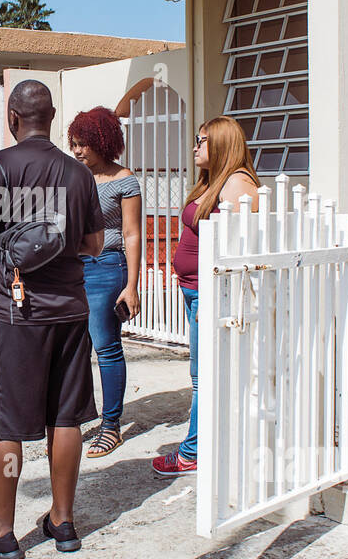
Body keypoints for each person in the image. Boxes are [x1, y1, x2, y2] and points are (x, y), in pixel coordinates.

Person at [0, 79, 105, 559]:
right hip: (71, 311)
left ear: (12, 118)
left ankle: (1, 533)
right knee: (67, 417)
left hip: (15, 314)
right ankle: (63, 523)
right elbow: (93, 246)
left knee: (4, 423)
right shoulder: (79, 173)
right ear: (53, 116)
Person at [153, 116, 260, 477]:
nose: (196, 147)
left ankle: (193, 452)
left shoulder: (238, 185)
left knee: (205, 376)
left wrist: (214, 296)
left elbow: (236, 249)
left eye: (202, 140)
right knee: (201, 374)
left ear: (222, 143)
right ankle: (202, 445)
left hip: (209, 292)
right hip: (192, 289)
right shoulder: (214, 181)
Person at [68, 107, 142, 458]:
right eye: (74, 144)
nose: (78, 151)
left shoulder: (124, 179)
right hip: (71, 269)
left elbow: (131, 234)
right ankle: (76, 419)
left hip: (106, 267)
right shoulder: (73, 176)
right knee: (72, 349)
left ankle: (111, 426)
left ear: (103, 141)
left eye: (84, 144)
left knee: (106, 346)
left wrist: (132, 284)